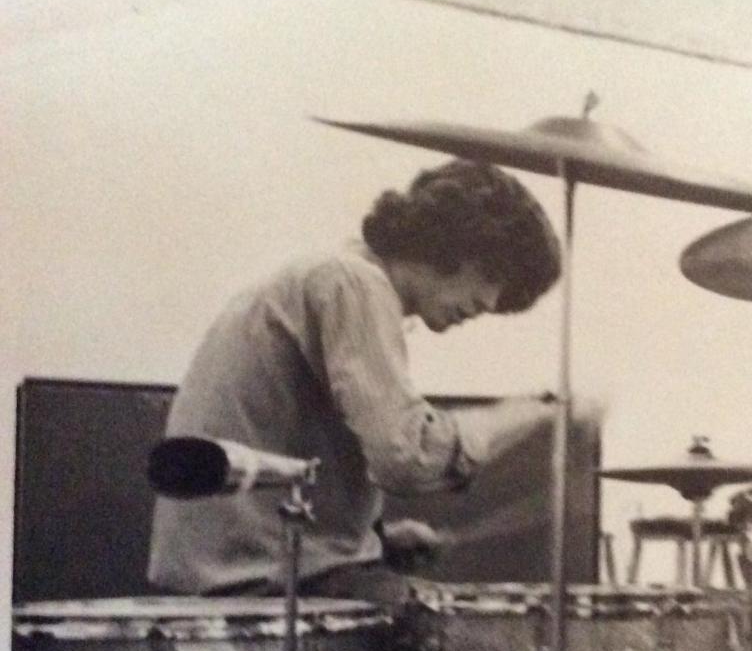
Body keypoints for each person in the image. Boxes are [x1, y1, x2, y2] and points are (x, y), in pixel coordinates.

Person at [148, 158, 561, 601]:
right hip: (260, 580)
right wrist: (522, 414)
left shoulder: (328, 275)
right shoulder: (353, 283)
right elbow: (408, 459)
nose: (490, 302)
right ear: (456, 243)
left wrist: (379, 538)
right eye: (492, 276)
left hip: (231, 565)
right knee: (464, 630)